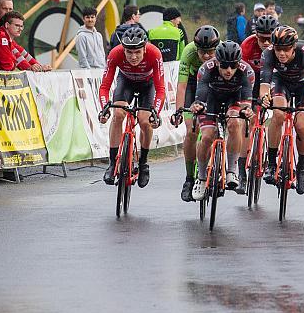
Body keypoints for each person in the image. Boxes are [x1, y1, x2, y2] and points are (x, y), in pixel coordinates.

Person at [99, 28, 165, 188]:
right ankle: (112, 162)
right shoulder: (115, 53)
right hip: (125, 82)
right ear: (123, 49)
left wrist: (155, 112)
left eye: (137, 52)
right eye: (129, 52)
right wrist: (105, 108)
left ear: (144, 48)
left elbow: (160, 88)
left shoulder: (154, 54)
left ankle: (143, 164)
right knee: (118, 115)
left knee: (144, 121)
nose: (133, 57)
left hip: (147, 85)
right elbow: (105, 86)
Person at [189, 41, 254, 200]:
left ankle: (231, 170)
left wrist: (246, 109)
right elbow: (202, 92)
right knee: (207, 136)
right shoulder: (206, 68)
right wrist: (198, 105)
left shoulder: (247, 71)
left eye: (233, 66)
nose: (229, 70)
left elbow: (246, 97)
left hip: (234, 99)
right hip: (211, 99)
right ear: (217, 61)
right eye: (224, 66)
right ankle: (202, 178)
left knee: (234, 123)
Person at [259, 26, 304, 195]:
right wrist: (264, 98)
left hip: (303, 87)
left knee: (300, 125)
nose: (282, 54)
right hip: (281, 83)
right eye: (278, 49)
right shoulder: (268, 54)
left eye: (286, 50)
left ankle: (301, 167)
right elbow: (264, 86)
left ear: (294, 47)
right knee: (278, 113)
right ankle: (271, 163)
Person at [175, 26, 221, 202]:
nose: (207, 56)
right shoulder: (188, 52)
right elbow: (182, 86)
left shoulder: (222, 51)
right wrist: (179, 110)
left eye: (211, 52)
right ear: (196, 48)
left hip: (214, 83)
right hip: (194, 85)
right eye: (203, 52)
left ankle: (217, 164)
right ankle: (189, 178)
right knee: (192, 131)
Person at [239, 14, 277, 187]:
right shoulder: (247, 45)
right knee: (249, 122)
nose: (266, 43)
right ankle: (241, 168)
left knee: (278, 114)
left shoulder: (279, 46)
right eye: (262, 39)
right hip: (250, 81)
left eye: (270, 39)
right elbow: (242, 74)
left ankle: (270, 156)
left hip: (272, 80)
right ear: (256, 35)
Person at [0, 0, 45, 71]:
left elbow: (18, 49)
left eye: (10, 9)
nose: (8, 12)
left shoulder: (4, 33)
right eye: (5, 9)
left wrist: (38, 66)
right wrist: (28, 67)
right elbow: (9, 62)